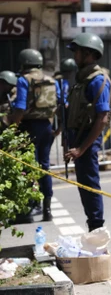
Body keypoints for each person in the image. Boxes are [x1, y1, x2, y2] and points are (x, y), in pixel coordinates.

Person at [64, 32, 111, 232]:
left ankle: (97, 229)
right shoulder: (83, 79)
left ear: (89, 54)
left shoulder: (97, 81)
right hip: (78, 137)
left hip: (87, 140)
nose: (74, 56)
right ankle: (93, 227)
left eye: (77, 52)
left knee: (90, 186)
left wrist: (81, 149)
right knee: (84, 185)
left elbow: (102, 118)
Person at [10, 49, 58, 222]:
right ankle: (47, 209)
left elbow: (21, 107)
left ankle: (28, 209)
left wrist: (13, 128)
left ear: (24, 64)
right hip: (46, 126)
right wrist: (57, 129)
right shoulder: (52, 80)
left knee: (27, 167)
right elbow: (60, 104)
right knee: (44, 167)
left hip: (28, 127)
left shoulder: (24, 80)